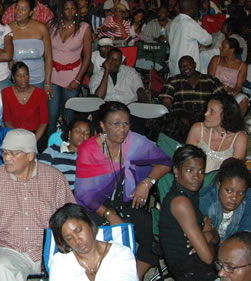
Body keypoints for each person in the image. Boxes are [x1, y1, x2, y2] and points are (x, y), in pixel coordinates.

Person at [75, 101, 171, 279]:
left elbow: (165, 162)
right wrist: (110, 215)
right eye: (115, 124)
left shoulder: (134, 141)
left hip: (126, 201)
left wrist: (147, 183)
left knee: (150, 234)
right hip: (95, 206)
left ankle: (135, 275)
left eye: (126, 123)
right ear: (103, 125)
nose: (122, 129)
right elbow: (84, 194)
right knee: (99, 242)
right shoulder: (89, 150)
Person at [0, 129, 75, 281]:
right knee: (1, 266)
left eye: (13, 153)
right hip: (9, 250)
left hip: (49, 250)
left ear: (30, 155)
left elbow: (72, 218)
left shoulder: (54, 179)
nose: (6, 157)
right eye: (4, 152)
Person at [159, 145, 219, 280]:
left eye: (201, 171)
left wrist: (209, 235)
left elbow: (214, 236)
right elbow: (208, 257)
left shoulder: (189, 194)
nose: (196, 177)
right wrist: (208, 235)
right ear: (176, 170)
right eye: (189, 170)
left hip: (192, 264)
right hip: (190, 269)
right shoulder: (181, 202)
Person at [48, 203, 138, 281]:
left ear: (90, 224)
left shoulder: (121, 254)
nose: (77, 240)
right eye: (69, 238)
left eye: (79, 230)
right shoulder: (60, 263)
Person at [47, 0, 92, 134]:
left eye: (73, 9)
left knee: (69, 114)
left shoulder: (84, 28)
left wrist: (78, 79)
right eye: (67, 8)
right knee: (52, 113)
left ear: (77, 11)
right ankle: (49, 144)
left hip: (73, 76)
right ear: (61, 10)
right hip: (53, 74)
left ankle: (67, 143)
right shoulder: (51, 25)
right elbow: (46, 52)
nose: (70, 12)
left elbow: (87, 56)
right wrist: (47, 80)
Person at [186, 94, 247, 174]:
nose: (206, 114)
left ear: (225, 115)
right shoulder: (197, 129)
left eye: (212, 111)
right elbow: (186, 161)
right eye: (207, 109)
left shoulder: (239, 138)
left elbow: (235, 172)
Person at [159, 56, 225, 122]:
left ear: (195, 65)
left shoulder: (210, 80)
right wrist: (169, 117)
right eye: (182, 66)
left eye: (189, 65)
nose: (185, 68)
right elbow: (165, 102)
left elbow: (223, 99)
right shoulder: (173, 81)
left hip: (205, 118)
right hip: (181, 119)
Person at [200, 158, 251, 242]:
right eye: (229, 191)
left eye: (241, 193)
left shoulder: (248, 201)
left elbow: (245, 238)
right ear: (219, 185)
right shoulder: (203, 201)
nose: (234, 198)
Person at [9, 0, 53, 94]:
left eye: (23, 9)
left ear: (31, 12)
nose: (18, 11)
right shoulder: (8, 29)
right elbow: (7, 56)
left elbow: (48, 57)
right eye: (17, 8)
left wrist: (47, 83)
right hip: (17, 81)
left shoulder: (41, 29)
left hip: (38, 80)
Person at [38, 118, 92, 191]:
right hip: (55, 193)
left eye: (86, 133)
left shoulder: (91, 156)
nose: (82, 135)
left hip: (80, 196)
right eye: (78, 131)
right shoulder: (54, 151)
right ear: (69, 133)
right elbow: (39, 173)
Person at [1, 62, 49, 141]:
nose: (23, 78)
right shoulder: (6, 93)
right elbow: (7, 121)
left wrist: (32, 141)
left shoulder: (40, 94)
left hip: (36, 135)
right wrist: (18, 139)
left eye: (25, 75)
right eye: (19, 76)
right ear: (13, 78)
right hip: (15, 134)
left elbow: (44, 122)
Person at [168, 0, 212, 76]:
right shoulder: (190, 23)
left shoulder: (174, 21)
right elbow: (208, 40)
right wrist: (198, 24)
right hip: (188, 66)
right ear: (191, 9)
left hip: (175, 64)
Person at [208, 38, 248, 116]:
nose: (220, 48)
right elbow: (210, 79)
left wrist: (232, 92)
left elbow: (239, 87)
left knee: (243, 99)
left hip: (230, 94)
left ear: (232, 50)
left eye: (223, 47)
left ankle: (236, 125)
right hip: (214, 90)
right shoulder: (216, 59)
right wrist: (224, 87)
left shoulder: (242, 66)